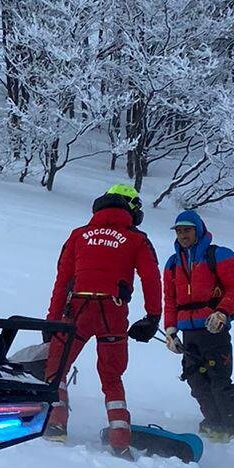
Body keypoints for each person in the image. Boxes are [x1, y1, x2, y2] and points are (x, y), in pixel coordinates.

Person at [44, 183, 161, 453]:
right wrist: (153, 317)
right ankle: (120, 440)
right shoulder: (137, 239)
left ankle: (55, 426)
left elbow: (62, 280)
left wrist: (52, 318)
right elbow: (151, 278)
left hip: (78, 309)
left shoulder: (78, 235)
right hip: (113, 310)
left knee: (57, 367)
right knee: (111, 376)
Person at [161, 208, 234, 440]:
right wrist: (170, 331)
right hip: (189, 334)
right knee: (196, 380)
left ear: (198, 230)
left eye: (187, 230)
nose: (183, 235)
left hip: (215, 331)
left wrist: (222, 312)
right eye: (179, 231)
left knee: (218, 378)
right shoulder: (172, 263)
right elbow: (170, 300)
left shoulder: (219, 255)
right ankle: (214, 422)